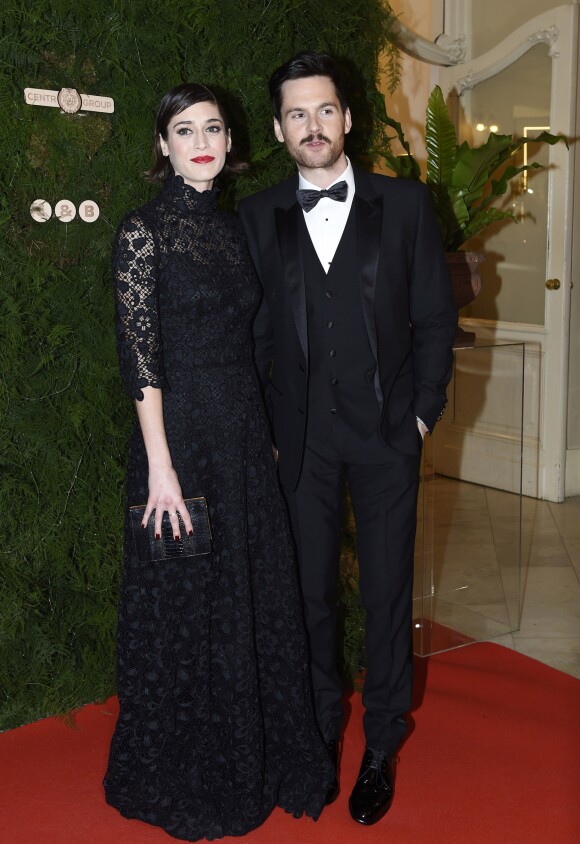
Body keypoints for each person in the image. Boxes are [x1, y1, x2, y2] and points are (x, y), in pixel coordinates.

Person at [104, 82, 333, 842]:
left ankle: (257, 756)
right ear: (161, 146)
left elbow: (256, 347)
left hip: (241, 440)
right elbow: (141, 363)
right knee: (189, 604)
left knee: (251, 598)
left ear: (231, 143)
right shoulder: (143, 235)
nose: (200, 140)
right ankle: (187, 770)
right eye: (183, 129)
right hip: (180, 445)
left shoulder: (236, 234)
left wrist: (264, 435)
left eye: (212, 128)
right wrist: (160, 467)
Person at [238, 52, 457, 826]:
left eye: (324, 110)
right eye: (296, 114)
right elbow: (251, 335)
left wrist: (422, 415)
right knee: (309, 599)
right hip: (300, 447)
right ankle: (320, 733)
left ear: (348, 118)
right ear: (277, 129)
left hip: (387, 437)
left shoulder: (404, 205)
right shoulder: (258, 216)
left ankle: (383, 742)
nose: (312, 126)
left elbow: (434, 317)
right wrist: (261, 433)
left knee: (389, 594)